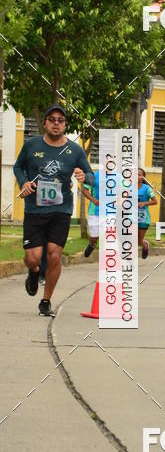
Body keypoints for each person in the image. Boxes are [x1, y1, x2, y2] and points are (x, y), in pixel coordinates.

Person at [13, 104, 94, 316]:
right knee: (33, 258)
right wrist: (23, 182)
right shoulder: (31, 145)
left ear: (65, 125)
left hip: (61, 210)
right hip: (34, 210)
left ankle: (46, 301)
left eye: (60, 120)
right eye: (52, 120)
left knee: (54, 255)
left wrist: (84, 177)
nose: (56, 124)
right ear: (45, 123)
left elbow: (91, 176)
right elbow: (17, 167)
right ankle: (33, 272)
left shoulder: (75, 150)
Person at [137, 168, 157, 259]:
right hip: (130, 217)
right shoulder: (128, 187)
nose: (136, 176)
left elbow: (155, 201)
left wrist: (144, 203)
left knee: (139, 241)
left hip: (143, 218)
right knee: (129, 239)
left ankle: (145, 244)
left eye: (139, 174)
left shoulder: (147, 189)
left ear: (143, 177)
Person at [81, 169, 101, 258]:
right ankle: (92, 245)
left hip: (111, 211)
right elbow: (84, 190)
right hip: (94, 211)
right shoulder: (94, 176)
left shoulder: (118, 176)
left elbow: (126, 190)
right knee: (94, 237)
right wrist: (94, 200)